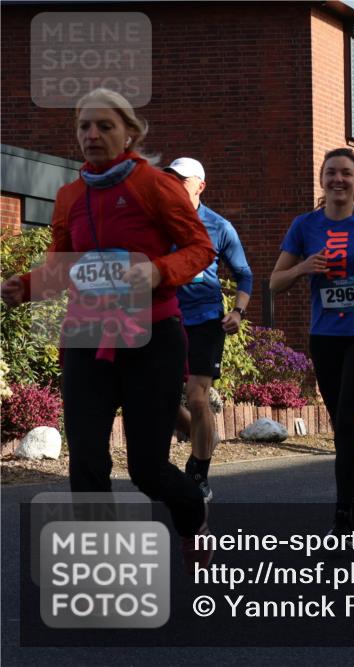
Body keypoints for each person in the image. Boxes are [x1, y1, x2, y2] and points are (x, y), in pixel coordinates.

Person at [0, 88, 216, 572]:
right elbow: (62, 266)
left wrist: (159, 271)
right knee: (88, 463)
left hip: (152, 340)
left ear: (129, 133)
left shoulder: (155, 186)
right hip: (86, 338)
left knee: (147, 470)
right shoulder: (70, 195)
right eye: (84, 127)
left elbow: (200, 248)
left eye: (104, 126)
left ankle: (192, 512)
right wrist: (27, 285)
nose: (92, 135)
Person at [269, 147, 354, 535]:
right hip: (324, 335)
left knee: (346, 420)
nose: (338, 180)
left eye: (346, 174)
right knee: (340, 425)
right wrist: (302, 267)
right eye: (331, 173)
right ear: (322, 180)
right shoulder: (304, 226)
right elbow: (274, 282)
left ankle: (346, 512)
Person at [165, 157, 253, 502]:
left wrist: (238, 311)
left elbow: (244, 274)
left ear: (199, 185)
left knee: (197, 396)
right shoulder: (158, 224)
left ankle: (199, 473)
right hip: (166, 320)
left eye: (181, 180)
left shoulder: (219, 227)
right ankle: (205, 436)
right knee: (161, 399)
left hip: (205, 321)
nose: (174, 185)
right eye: (169, 179)